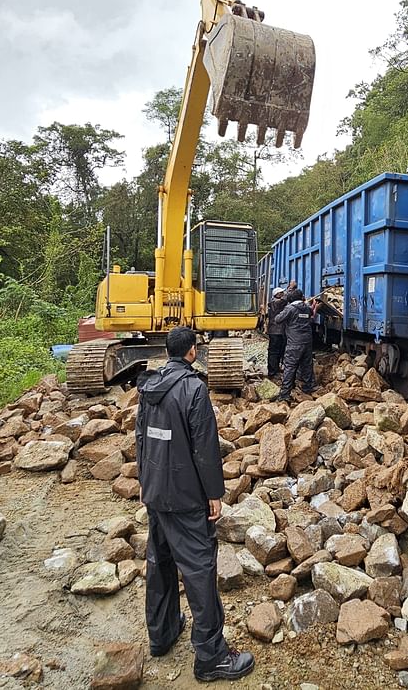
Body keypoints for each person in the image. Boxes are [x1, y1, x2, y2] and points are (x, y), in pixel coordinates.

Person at [136, 327, 254, 683]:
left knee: (160, 562)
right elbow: (205, 448)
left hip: (156, 492)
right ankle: (211, 656)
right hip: (185, 498)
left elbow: (141, 439)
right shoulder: (193, 389)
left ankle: (163, 632)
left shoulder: (148, 388)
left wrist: (146, 485)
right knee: (200, 571)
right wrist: (213, 494)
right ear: (191, 351)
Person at [273, 288, 318, 403]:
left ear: (290, 299)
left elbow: (278, 319)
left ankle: (285, 394)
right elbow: (311, 317)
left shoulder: (290, 309)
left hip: (294, 342)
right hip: (307, 342)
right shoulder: (307, 308)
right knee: (307, 365)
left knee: (290, 366)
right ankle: (308, 388)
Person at [265, 287, 288, 378]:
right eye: (281, 293)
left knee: (277, 351)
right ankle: (272, 372)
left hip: (276, 331)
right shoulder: (277, 303)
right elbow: (286, 299)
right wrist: (290, 289)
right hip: (276, 332)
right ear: (277, 295)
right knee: (274, 352)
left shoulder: (273, 303)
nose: (283, 294)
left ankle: (275, 369)